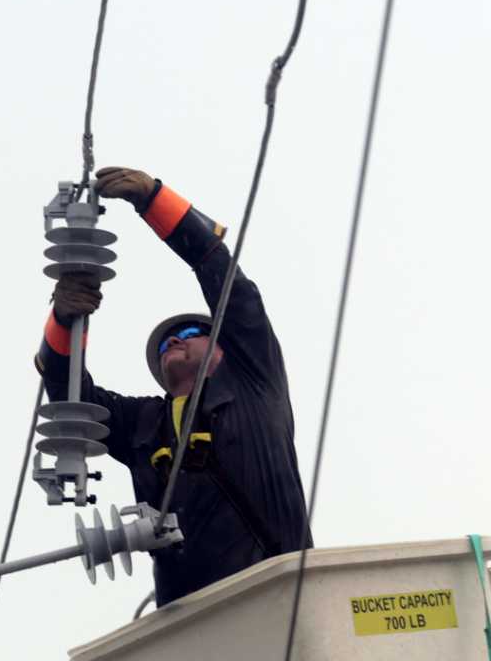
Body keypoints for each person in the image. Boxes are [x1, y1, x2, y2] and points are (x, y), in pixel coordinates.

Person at [35, 165, 309, 607]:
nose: (172, 344)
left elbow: (223, 275)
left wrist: (154, 199)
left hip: (278, 594)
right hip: (189, 621)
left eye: (187, 336)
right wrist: (64, 318)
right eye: (164, 344)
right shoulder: (143, 422)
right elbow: (67, 394)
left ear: (223, 347)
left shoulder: (255, 381)